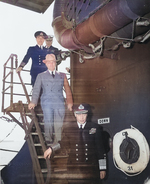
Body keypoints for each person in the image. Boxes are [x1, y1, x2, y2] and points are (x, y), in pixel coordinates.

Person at [44, 103, 107, 184]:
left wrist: (102, 168)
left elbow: (100, 149)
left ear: (87, 114)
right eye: (79, 114)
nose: (82, 117)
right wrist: (52, 148)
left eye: (84, 114)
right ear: (75, 114)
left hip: (91, 168)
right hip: (74, 169)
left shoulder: (95, 128)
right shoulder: (69, 128)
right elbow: (63, 143)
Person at [28, 54, 73, 145]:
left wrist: (70, 102)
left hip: (59, 102)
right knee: (48, 120)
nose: (51, 64)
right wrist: (33, 102)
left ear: (55, 63)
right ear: (46, 64)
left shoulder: (62, 75)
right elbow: (36, 89)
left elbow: (67, 89)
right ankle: (48, 139)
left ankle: (58, 141)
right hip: (47, 102)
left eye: (53, 62)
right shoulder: (41, 76)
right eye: (49, 62)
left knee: (59, 122)